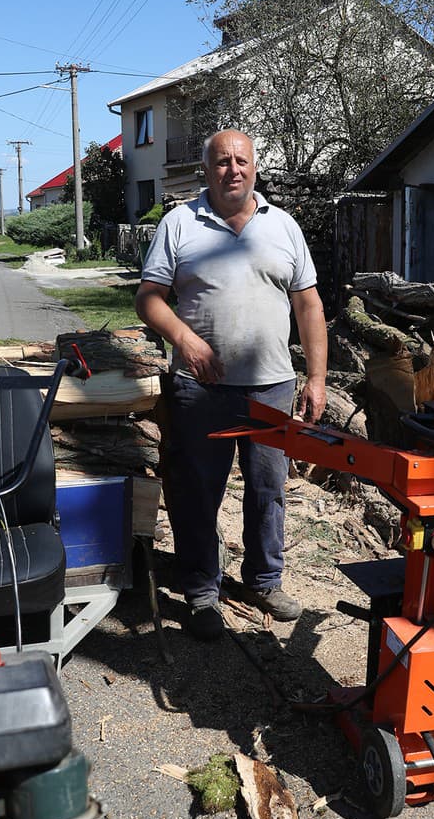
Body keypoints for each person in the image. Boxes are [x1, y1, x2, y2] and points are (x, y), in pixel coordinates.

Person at [135, 129, 328, 641]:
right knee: (198, 491)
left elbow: (309, 305)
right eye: (222, 162)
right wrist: (185, 340)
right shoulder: (179, 224)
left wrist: (316, 376)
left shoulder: (282, 226)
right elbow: (149, 298)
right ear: (207, 169)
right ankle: (202, 590)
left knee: (269, 490)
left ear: (255, 167)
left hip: (271, 387)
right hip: (201, 389)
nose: (233, 170)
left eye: (241, 160)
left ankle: (264, 580)